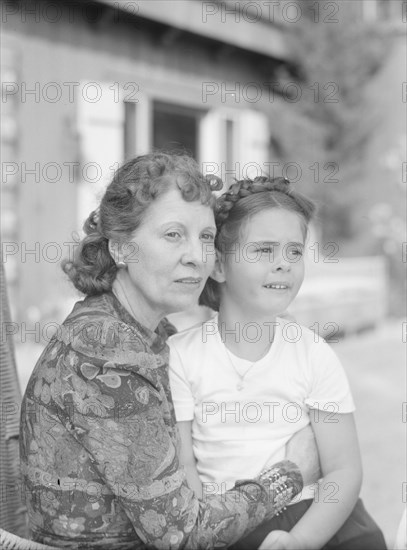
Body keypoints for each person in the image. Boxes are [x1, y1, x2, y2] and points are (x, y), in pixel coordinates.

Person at [19, 154, 315, 549]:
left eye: (206, 237)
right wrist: (288, 476)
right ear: (121, 249)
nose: (196, 255)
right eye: (173, 234)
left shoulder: (149, 332)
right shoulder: (104, 351)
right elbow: (183, 533)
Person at [169, 176, 387, 550]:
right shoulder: (182, 356)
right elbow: (185, 466)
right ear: (219, 267)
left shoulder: (312, 353)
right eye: (265, 251)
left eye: (294, 252)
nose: (284, 264)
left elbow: (343, 471)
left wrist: (300, 540)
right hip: (231, 525)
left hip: (317, 520)